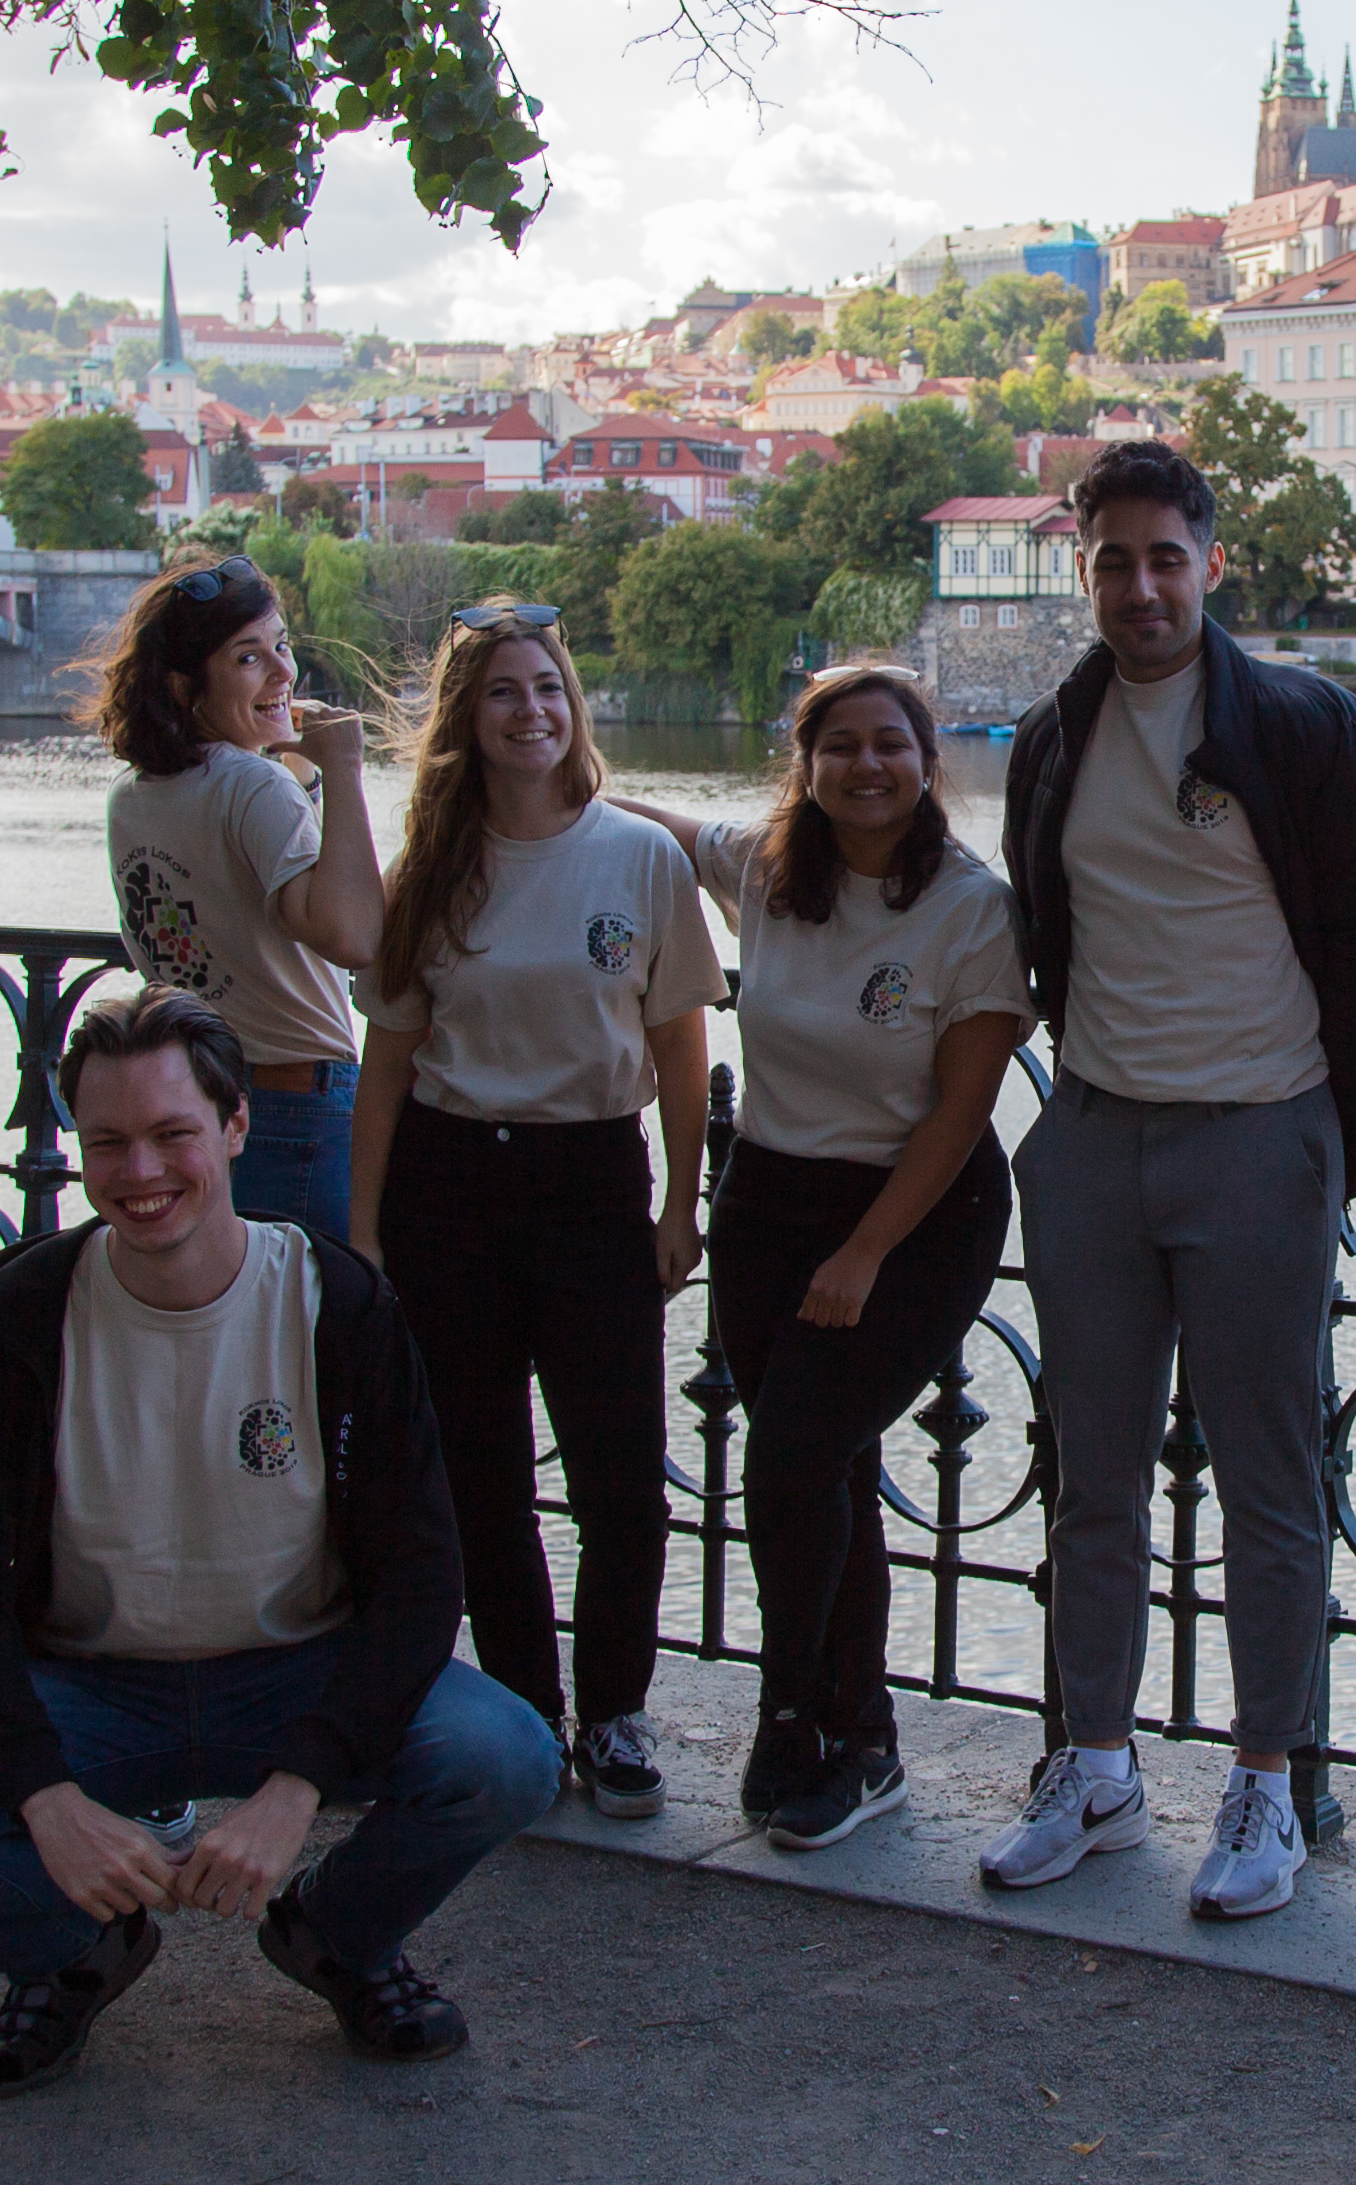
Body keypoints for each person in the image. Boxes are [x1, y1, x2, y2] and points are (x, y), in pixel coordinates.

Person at [0, 990, 560, 2097]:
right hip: (85, 1683)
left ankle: (335, 1935)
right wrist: (45, 1802)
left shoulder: (333, 1302)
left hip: (294, 1668)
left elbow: (419, 1576)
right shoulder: (22, 1314)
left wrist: (298, 1786)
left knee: (507, 1759)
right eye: (107, 1142)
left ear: (236, 1129)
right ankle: (70, 1951)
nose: (139, 1170)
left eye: (173, 1134)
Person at [978, 439, 1356, 1921]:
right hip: (1100, 1135)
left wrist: (1333, 1136)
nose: (1139, 584)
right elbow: (1046, 921)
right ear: (1083, 567)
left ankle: (1263, 1782)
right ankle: (1095, 1765)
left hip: (1260, 1132)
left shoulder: (1305, 725)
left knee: (1268, 1479)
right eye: (1111, 558)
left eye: (1165, 555)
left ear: (1211, 564)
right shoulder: (1058, 731)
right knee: (1090, 1474)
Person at [615, 665, 1030, 1849]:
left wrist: (863, 1252)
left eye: (887, 744)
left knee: (792, 1460)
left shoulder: (968, 907)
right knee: (825, 1466)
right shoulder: (764, 866)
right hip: (769, 1199)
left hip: (916, 1210)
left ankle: (788, 1710)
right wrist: (541, 780)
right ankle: (866, 1738)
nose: (864, 766)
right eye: (837, 745)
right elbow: (648, 822)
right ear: (803, 764)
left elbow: (962, 1113)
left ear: (925, 760)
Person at [348, 602, 717, 1819]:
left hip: (590, 1179)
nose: (532, 712)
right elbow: (390, 1057)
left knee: (621, 1473)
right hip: (450, 1183)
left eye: (549, 689)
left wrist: (679, 1200)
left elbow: (676, 1045)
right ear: (467, 718)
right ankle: (519, 1710)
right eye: (504, 692)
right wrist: (364, 1224)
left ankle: (613, 1712)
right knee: (480, 1474)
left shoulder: (639, 857)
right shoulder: (429, 870)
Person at [85, 553, 382, 1234]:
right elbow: (352, 936)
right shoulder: (252, 785)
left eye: (282, 646)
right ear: (186, 685)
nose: (284, 672)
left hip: (203, 1099)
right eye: (249, 658)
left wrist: (300, 779)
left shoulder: (132, 797)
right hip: (299, 1105)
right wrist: (343, 772)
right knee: (316, 1323)